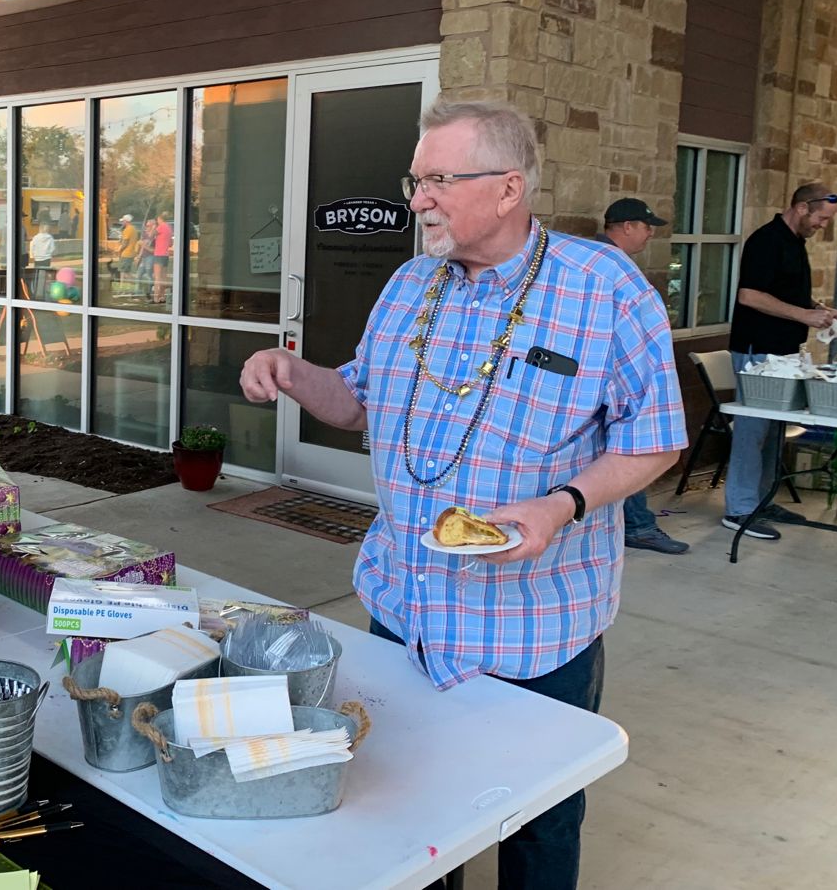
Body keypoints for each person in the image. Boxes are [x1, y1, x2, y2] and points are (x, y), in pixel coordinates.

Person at [241, 100, 684, 890]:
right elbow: (356, 401)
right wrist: (291, 372)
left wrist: (564, 505)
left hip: (535, 630)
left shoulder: (604, 288)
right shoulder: (412, 284)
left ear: (509, 188)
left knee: (540, 825)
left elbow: (654, 438)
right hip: (405, 609)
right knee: (420, 813)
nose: (418, 200)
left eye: (439, 179)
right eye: (416, 180)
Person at [723, 183, 837, 539]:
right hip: (756, 351)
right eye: (822, 217)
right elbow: (749, 295)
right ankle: (739, 510)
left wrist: (820, 310)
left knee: (774, 431)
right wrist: (803, 316)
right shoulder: (766, 240)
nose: (823, 225)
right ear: (803, 207)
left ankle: (761, 499)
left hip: (784, 353)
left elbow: (788, 293)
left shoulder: (796, 243)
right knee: (752, 431)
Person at [595, 198, 689, 555]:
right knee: (633, 444)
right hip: (610, 372)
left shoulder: (600, 259)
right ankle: (638, 524)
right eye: (647, 226)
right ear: (627, 226)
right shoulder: (610, 263)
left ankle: (635, 522)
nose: (651, 233)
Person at [28, 216, 56, 298]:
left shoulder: (36, 238)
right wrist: (48, 253)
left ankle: (36, 293)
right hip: (46, 258)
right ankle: (43, 294)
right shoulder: (50, 238)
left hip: (38, 259)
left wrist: (33, 255)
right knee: (45, 277)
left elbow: (32, 246)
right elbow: (53, 248)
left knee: (37, 276)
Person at [152, 210, 173, 304]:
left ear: (160, 219)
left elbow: (151, 235)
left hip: (158, 254)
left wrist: (153, 227)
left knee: (157, 277)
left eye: (157, 220)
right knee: (164, 277)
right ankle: (162, 296)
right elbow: (170, 243)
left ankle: (156, 297)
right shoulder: (169, 227)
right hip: (165, 254)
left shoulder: (161, 226)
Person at [114, 213, 139, 292]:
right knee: (123, 271)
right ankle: (122, 287)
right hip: (130, 253)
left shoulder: (128, 229)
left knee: (125, 273)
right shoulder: (134, 229)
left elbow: (125, 243)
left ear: (126, 221)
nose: (122, 223)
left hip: (126, 253)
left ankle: (135, 285)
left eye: (123, 221)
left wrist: (119, 250)